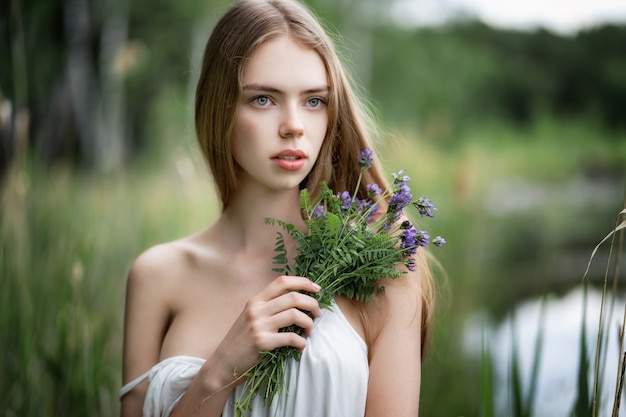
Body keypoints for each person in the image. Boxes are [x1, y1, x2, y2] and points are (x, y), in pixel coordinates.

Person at [119, 0, 436, 416]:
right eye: (264, 99)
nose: (294, 125)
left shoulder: (383, 274)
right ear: (219, 108)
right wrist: (221, 369)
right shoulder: (157, 276)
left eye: (314, 101)